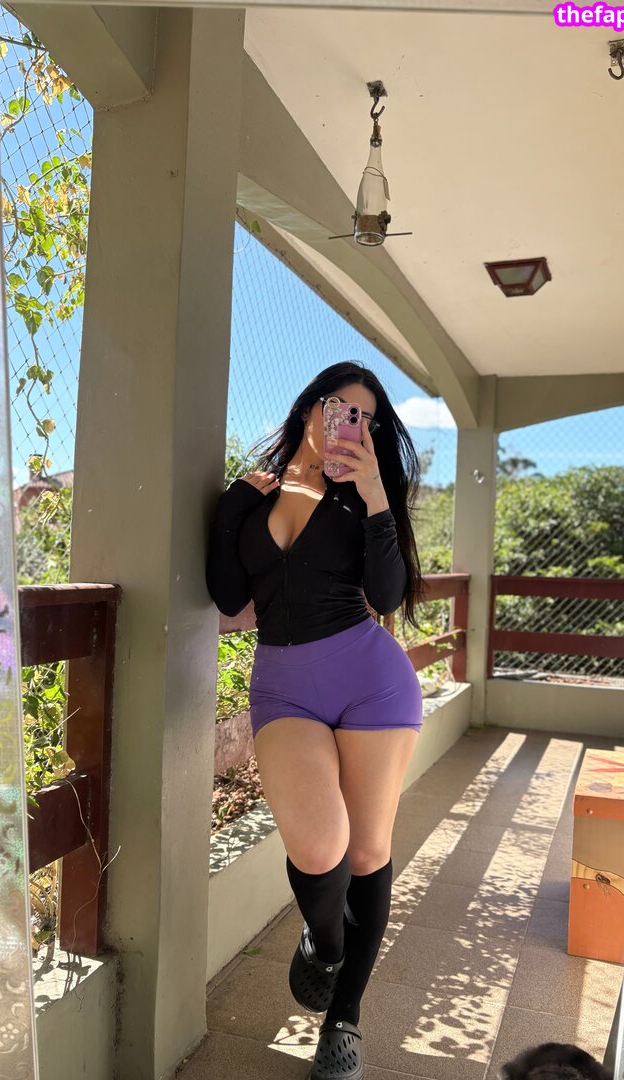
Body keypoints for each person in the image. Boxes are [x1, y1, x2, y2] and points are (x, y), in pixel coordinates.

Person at [205, 362, 426, 1080]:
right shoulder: (260, 492)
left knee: (366, 852)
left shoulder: (365, 498)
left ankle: (344, 1021)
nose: (348, 424)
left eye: (365, 418)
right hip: (285, 688)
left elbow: (387, 596)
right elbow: (226, 592)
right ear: (310, 409)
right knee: (320, 842)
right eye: (338, 407)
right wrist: (235, 502)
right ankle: (326, 946)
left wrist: (375, 495)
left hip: (374, 685)